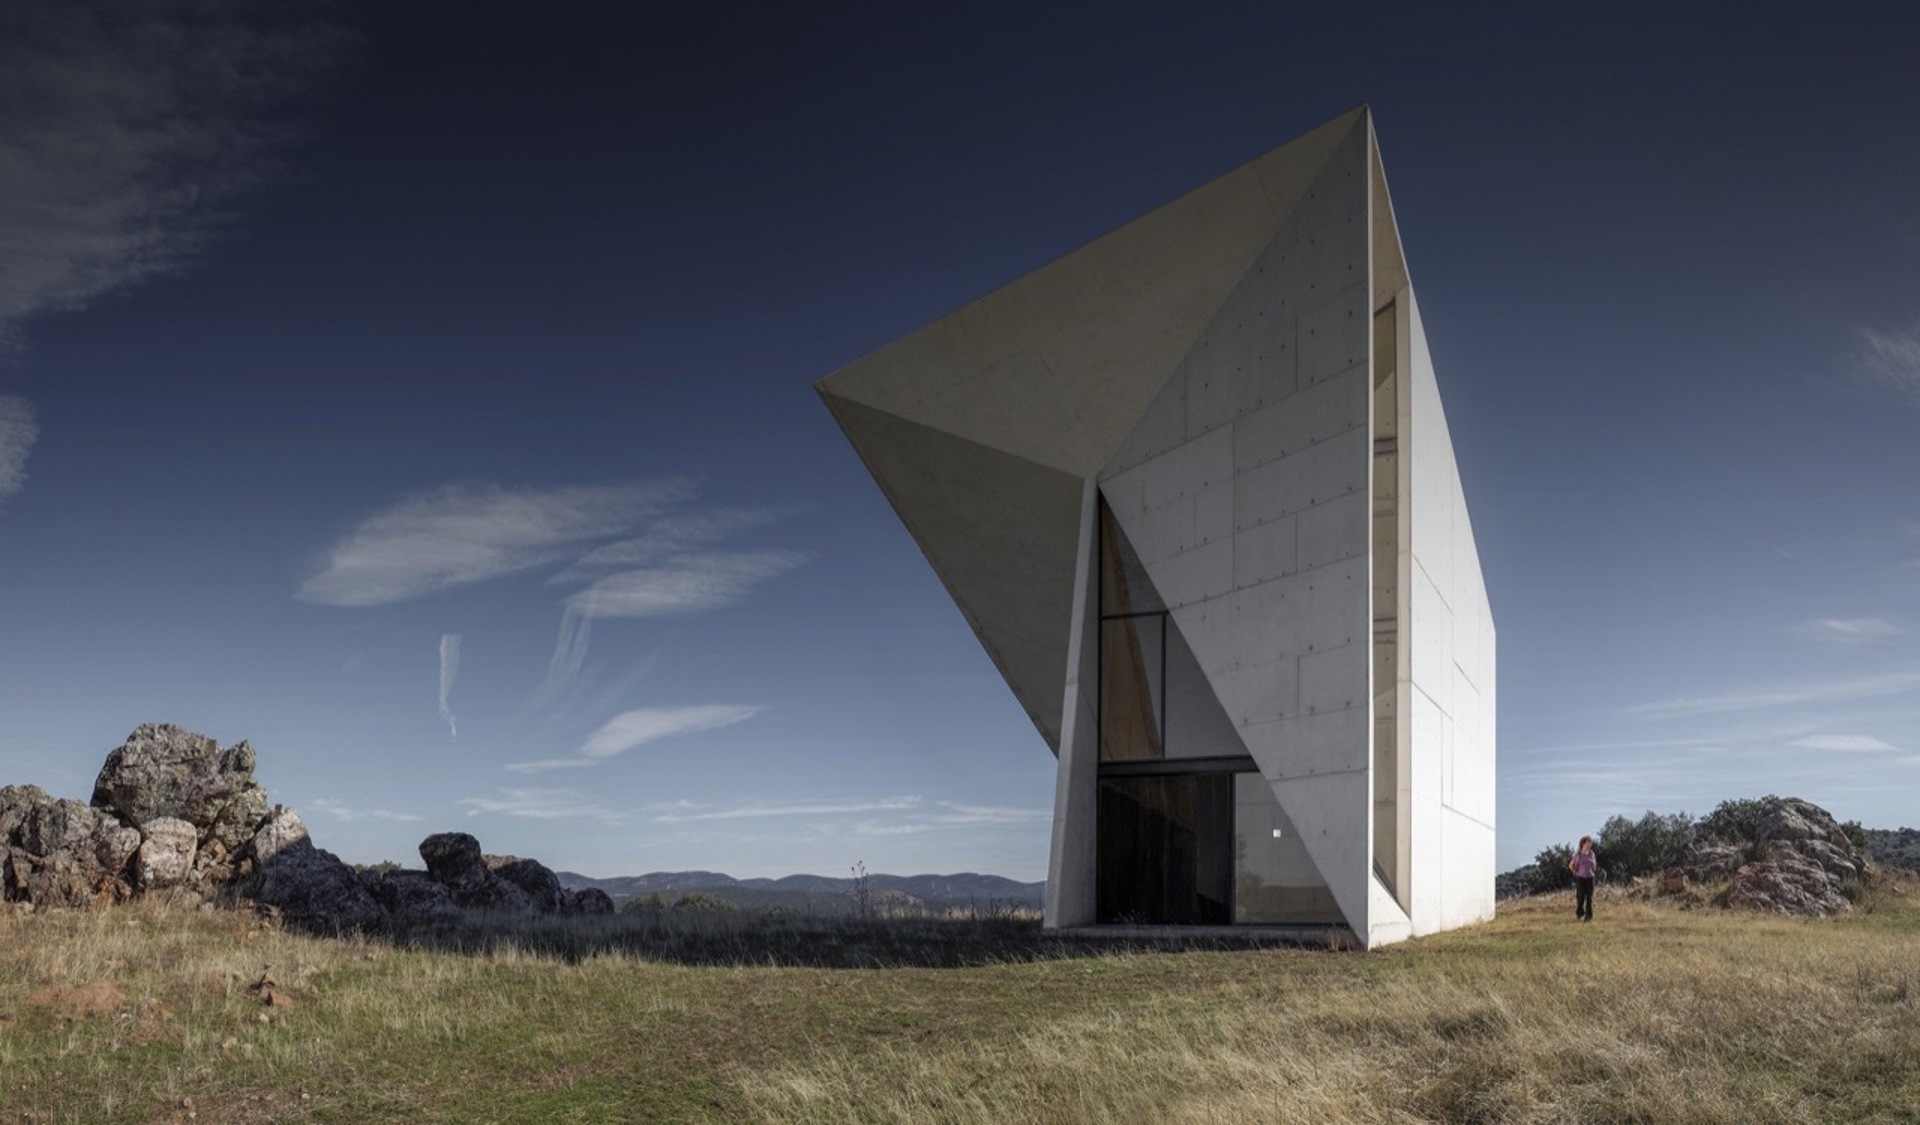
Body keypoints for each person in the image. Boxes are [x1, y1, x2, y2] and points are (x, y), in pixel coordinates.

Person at [1568, 836, 1597, 922]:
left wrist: (1593, 871)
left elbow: (1594, 864)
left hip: (1590, 878)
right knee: (1580, 898)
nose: (1589, 845)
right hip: (1580, 878)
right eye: (1588, 843)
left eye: (1590, 843)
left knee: (1589, 898)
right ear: (1583, 843)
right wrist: (1575, 873)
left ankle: (1588, 917)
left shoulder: (1592, 853)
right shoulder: (1578, 854)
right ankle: (1580, 914)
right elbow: (1570, 865)